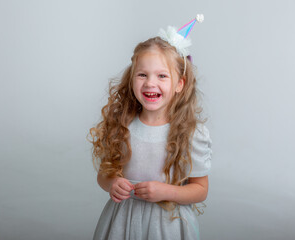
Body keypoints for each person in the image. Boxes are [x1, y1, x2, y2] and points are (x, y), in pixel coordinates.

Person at [89, 16, 212, 240]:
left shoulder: (190, 133)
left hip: (167, 225)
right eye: (142, 75)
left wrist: (167, 191)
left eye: (162, 76)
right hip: (123, 220)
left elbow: (200, 189)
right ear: (132, 79)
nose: (150, 83)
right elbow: (104, 175)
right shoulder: (122, 125)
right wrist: (112, 184)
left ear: (179, 84)